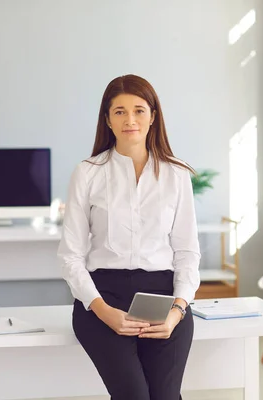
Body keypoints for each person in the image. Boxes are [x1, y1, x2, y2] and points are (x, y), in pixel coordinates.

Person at [57, 74, 201, 400]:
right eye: (119, 111)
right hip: (102, 298)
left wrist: (178, 310)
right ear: (107, 119)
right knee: (133, 395)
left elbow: (187, 252)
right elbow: (70, 255)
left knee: (165, 396)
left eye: (138, 110)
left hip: (164, 299)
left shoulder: (177, 175)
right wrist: (102, 309)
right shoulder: (88, 172)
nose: (130, 119)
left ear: (153, 116)